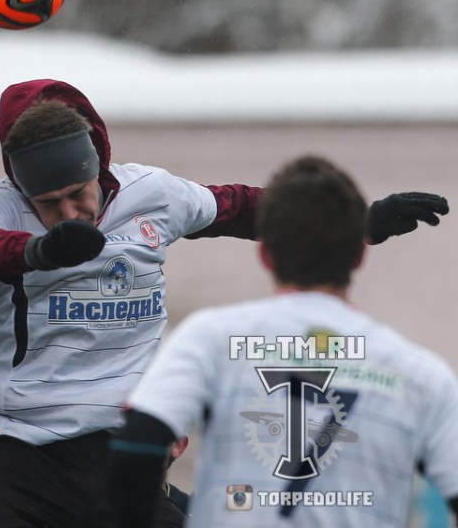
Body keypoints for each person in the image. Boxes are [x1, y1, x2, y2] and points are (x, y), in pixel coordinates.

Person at [0, 79, 449, 527]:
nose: (68, 212)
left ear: (98, 165)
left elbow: (242, 208)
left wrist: (356, 222)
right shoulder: (2, 210)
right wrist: (34, 250)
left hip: (118, 445)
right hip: (16, 448)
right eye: (48, 204)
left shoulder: (153, 193)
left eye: (78, 194)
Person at [108, 155, 458, 527]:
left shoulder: (207, 339)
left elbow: (136, 447)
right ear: (360, 255)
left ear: (265, 254)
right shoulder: (422, 374)